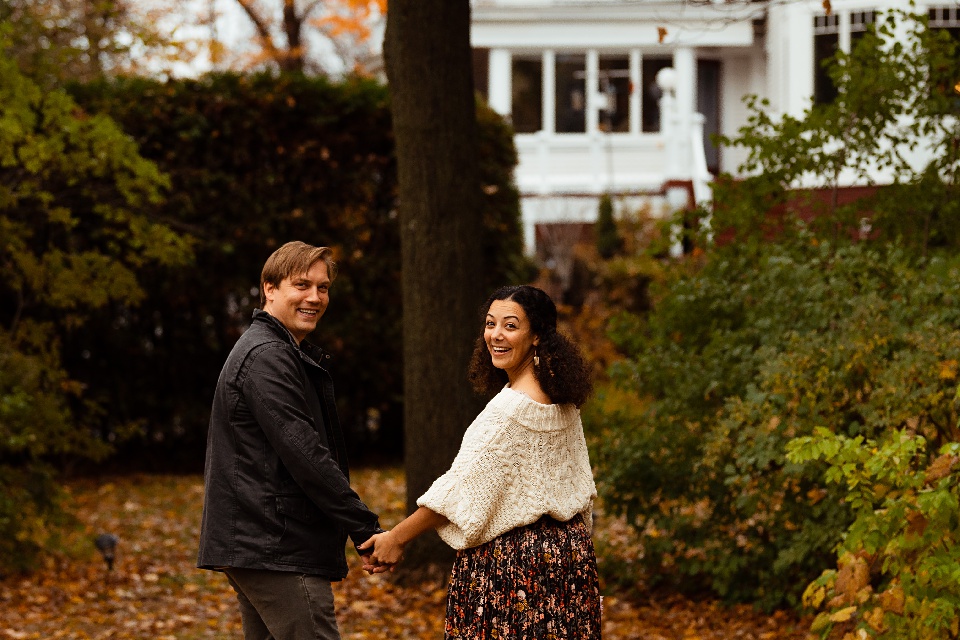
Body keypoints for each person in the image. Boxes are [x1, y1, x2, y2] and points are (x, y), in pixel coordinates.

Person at [360, 284, 601, 639]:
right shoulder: (563, 401)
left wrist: (396, 538)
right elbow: (578, 485)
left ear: (536, 336)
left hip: (514, 568)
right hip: (568, 559)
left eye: (510, 325)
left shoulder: (508, 412)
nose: (496, 335)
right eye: (490, 324)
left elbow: (459, 494)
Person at [197, 241, 385, 640]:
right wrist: (364, 527)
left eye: (323, 287)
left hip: (265, 543)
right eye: (302, 285)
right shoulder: (266, 355)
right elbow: (305, 453)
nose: (315, 297)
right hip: (275, 545)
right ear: (269, 288)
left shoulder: (277, 350)